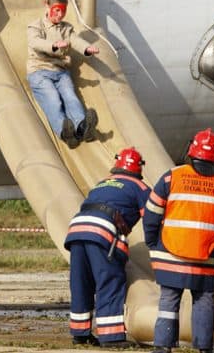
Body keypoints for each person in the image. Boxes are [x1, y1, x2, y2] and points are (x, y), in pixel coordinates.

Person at [142, 128, 214, 353]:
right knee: (204, 300)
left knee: (169, 299)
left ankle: (163, 346)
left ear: (192, 151)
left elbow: (152, 212)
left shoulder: (173, 176)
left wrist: (152, 242)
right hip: (207, 254)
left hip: (172, 250)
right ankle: (204, 348)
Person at [63, 147, 152, 348]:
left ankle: (80, 333)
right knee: (110, 280)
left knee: (81, 281)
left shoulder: (101, 183)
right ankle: (111, 337)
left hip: (77, 228)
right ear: (139, 167)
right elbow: (152, 217)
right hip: (102, 230)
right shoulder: (140, 187)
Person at [27, 0, 99, 148]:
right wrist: (53, 45)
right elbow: (35, 42)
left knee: (70, 96)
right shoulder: (36, 26)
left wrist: (87, 48)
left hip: (60, 71)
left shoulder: (66, 29)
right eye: (56, 10)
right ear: (47, 6)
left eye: (63, 11)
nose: (60, 15)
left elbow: (76, 40)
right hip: (40, 71)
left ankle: (82, 127)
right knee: (52, 98)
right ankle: (64, 132)